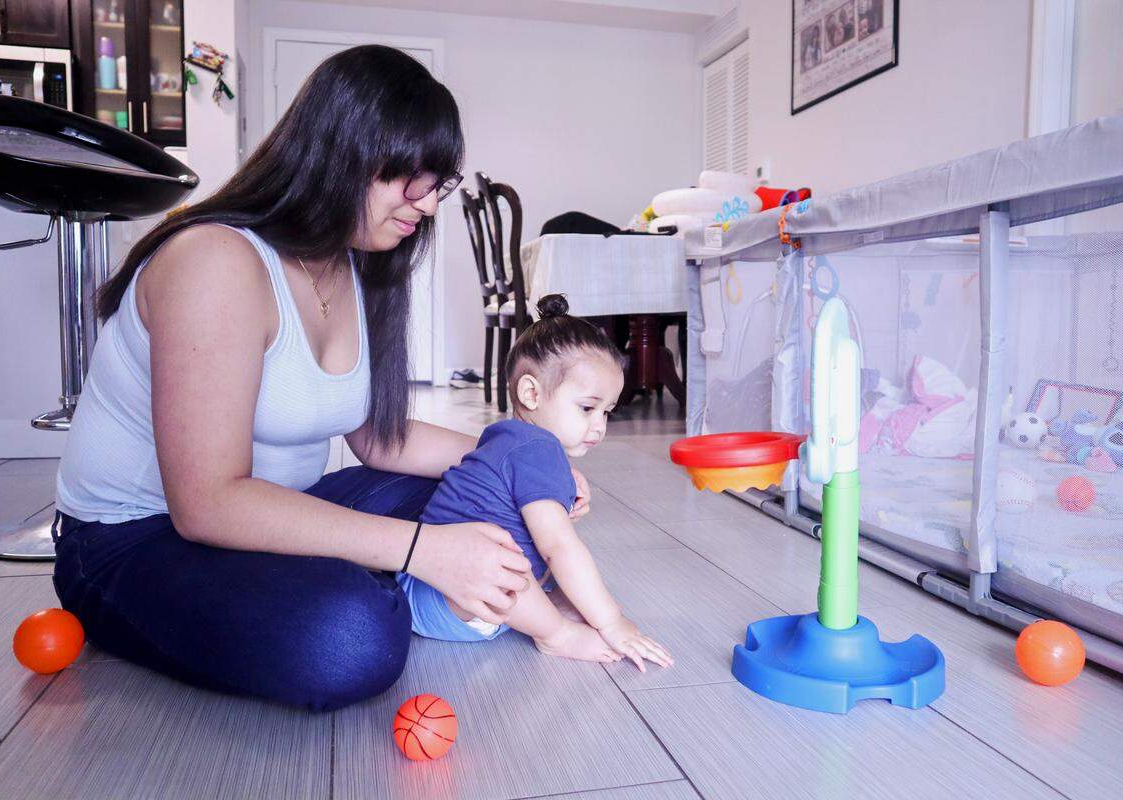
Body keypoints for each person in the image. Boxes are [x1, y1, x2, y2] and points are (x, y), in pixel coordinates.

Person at [49, 45, 591, 712]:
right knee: (349, 638)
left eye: (438, 185)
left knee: (497, 502)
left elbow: (376, 437)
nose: (426, 204)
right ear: (344, 150)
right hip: (136, 538)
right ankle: (385, 591)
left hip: (280, 508)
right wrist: (423, 549)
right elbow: (206, 504)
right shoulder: (215, 261)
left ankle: (390, 583)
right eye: (412, 177)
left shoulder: (356, 264)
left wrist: (524, 458)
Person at [396, 295, 674, 672]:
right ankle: (555, 634)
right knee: (528, 560)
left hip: (429, 584)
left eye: (607, 412)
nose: (599, 426)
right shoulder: (536, 450)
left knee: (535, 559)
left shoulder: (512, 439)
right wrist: (612, 622)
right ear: (531, 394)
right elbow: (558, 547)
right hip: (444, 595)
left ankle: (548, 605)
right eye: (587, 408)